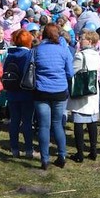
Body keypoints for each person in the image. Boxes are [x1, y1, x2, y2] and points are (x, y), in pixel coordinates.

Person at [32, 23, 74, 169]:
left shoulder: (36, 50)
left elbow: (29, 69)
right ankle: (61, 155)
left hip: (41, 90)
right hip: (60, 90)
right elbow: (70, 72)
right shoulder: (63, 51)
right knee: (57, 124)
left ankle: (45, 159)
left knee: (44, 125)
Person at [4, 29, 36, 158]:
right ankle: (29, 149)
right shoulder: (29, 55)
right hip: (27, 92)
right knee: (27, 122)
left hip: (12, 91)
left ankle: (14, 149)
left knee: (14, 121)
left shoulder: (10, 55)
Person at [69, 30, 100, 162]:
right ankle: (93, 151)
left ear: (89, 41)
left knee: (79, 122)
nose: (79, 41)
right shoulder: (97, 55)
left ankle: (80, 153)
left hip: (81, 91)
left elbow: (72, 72)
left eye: (82, 38)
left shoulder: (80, 56)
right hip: (93, 91)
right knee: (92, 122)